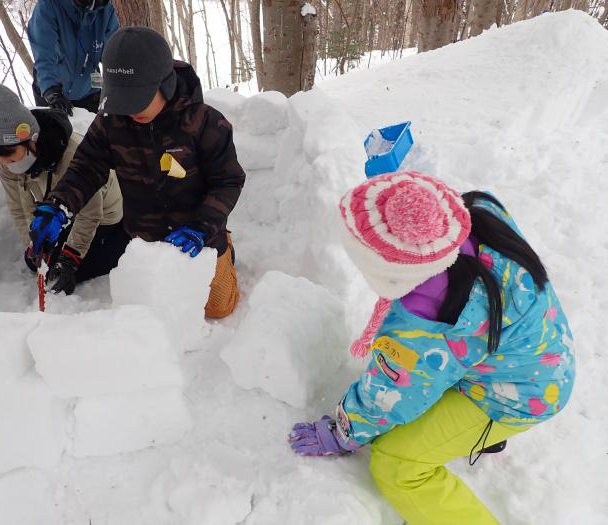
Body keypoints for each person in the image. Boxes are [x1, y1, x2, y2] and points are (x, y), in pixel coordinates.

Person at [289, 171, 575, 525]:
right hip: (540, 349)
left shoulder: (430, 317)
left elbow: (390, 395)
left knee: (395, 464)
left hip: (519, 394)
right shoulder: (478, 208)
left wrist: (343, 432)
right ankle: (479, 435)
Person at [28, 27, 245, 319]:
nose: (130, 111)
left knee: (217, 308)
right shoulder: (111, 123)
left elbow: (227, 181)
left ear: (165, 83)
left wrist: (204, 227)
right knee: (149, 314)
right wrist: (58, 206)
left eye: (138, 99)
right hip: (145, 241)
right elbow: (86, 168)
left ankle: (226, 250)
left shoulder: (205, 123)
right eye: (123, 100)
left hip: (198, 237)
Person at [0, 80, 125, 295]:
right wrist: (33, 246)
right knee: (38, 264)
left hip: (104, 216)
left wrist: (70, 257)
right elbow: (19, 206)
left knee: (72, 270)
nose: (5, 162)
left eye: (8, 154)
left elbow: (91, 213)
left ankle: (123, 240)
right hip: (59, 212)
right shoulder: (6, 158)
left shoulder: (72, 154)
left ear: (30, 140)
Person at [27, 0, 119, 115]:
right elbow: (44, 54)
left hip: (88, 90)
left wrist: (120, 80)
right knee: (56, 131)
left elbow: (113, 54)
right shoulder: (48, 6)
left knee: (90, 131)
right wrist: (51, 90)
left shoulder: (105, 10)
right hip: (52, 88)